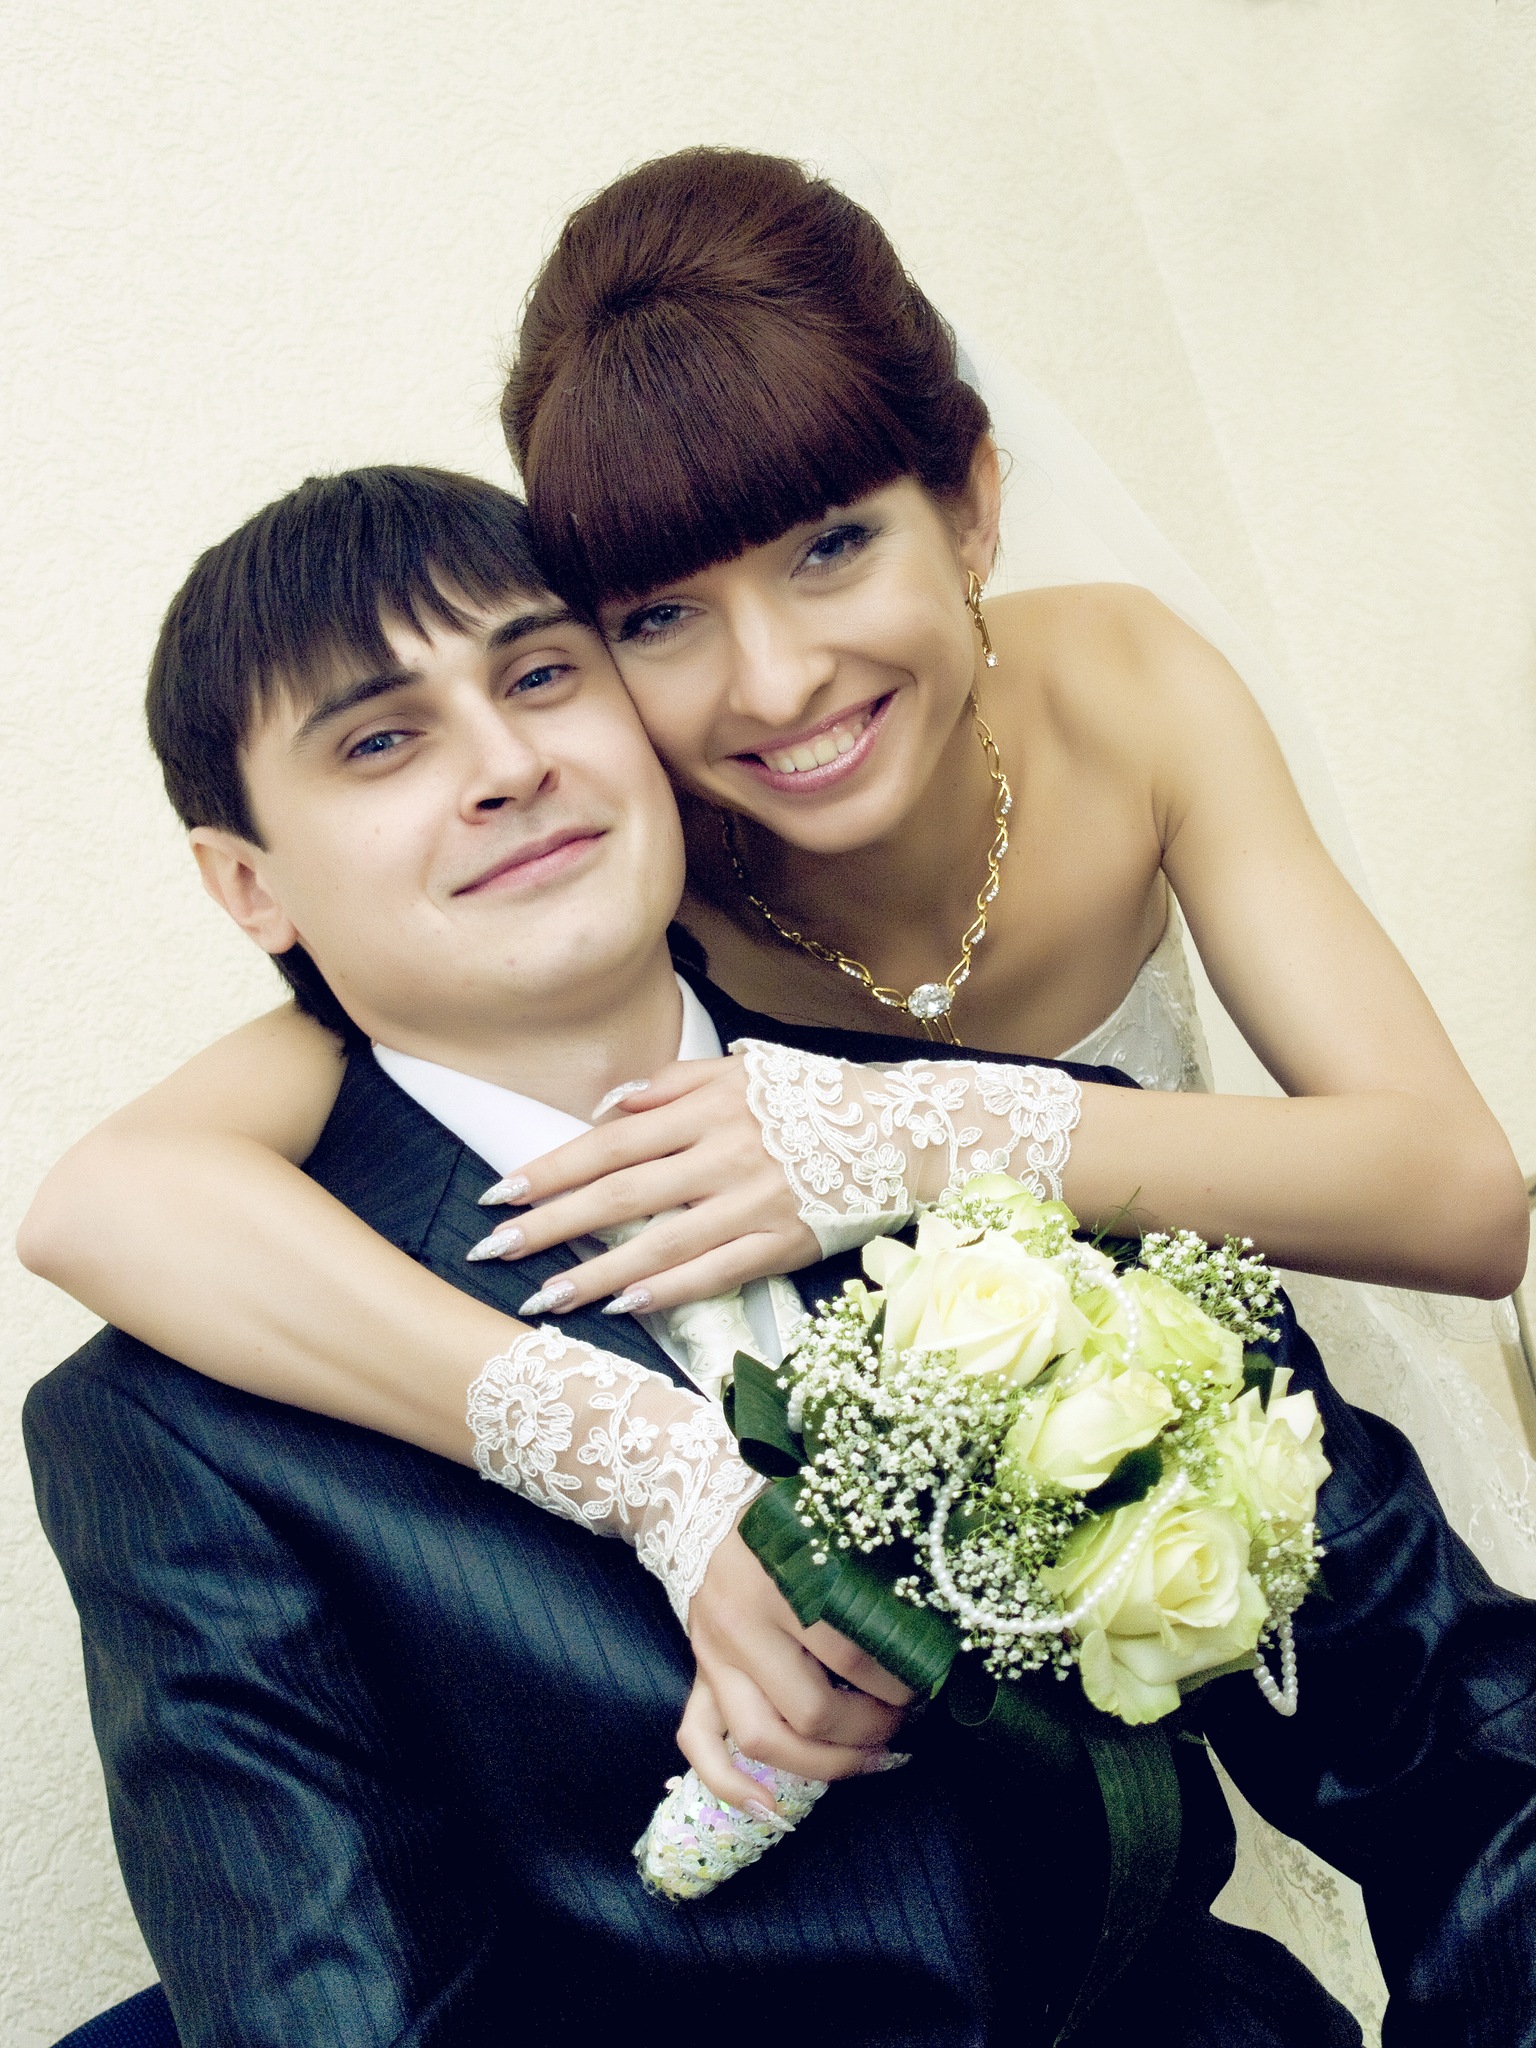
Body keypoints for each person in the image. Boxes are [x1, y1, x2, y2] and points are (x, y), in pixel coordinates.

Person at [21, 149, 1534, 2014]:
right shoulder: (184, 1422)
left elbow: (1480, 1767)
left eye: (544, 675)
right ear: (248, 887)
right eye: (383, 743)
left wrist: (969, 1137)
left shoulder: (1019, 1169)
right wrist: (658, 1472)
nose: (505, 765)